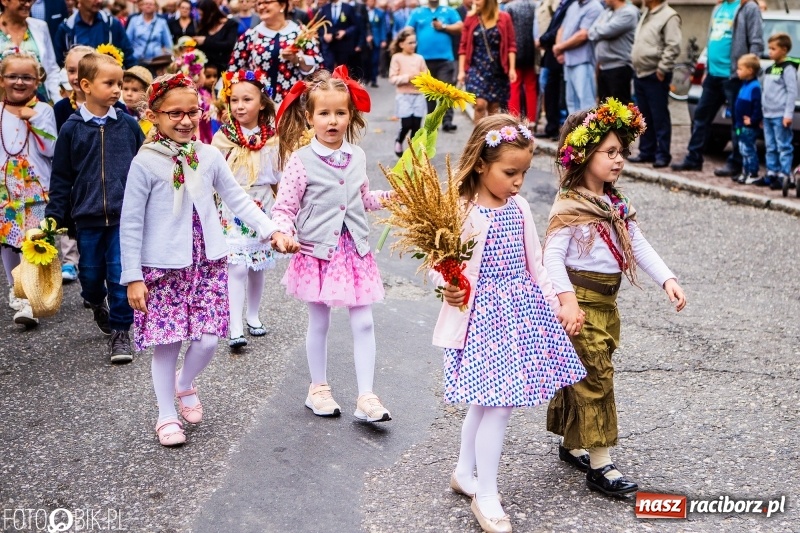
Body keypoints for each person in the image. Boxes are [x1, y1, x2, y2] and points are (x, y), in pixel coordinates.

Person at [120, 73, 296, 447]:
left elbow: (239, 200)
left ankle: (184, 384)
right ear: (153, 115)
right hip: (163, 268)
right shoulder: (146, 163)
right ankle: (166, 415)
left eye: (192, 112)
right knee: (167, 343)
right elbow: (131, 223)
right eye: (174, 114)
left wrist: (272, 231)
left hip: (207, 261)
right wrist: (133, 276)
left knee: (209, 341)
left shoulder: (209, 155)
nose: (185, 120)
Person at [433, 114, 585, 533]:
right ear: (481, 164)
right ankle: (486, 495)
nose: (518, 182)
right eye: (510, 172)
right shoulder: (462, 210)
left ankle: (467, 472)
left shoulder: (517, 208)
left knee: (487, 403)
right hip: (481, 320)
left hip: (520, 316)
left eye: (524, 173)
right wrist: (446, 285)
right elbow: (440, 263)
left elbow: (536, 264)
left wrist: (557, 303)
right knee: (497, 404)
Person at [545, 97, 686, 497]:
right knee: (596, 378)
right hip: (581, 306)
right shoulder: (570, 203)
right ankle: (601, 466)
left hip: (607, 305)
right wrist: (567, 301)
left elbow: (638, 245)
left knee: (584, 374)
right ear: (584, 153)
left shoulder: (616, 202)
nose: (618, 159)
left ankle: (573, 444)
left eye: (621, 152)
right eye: (609, 152)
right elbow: (551, 257)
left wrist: (667, 279)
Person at [272, 67, 393, 423]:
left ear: (350, 116)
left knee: (365, 323)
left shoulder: (357, 156)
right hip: (316, 252)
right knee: (320, 322)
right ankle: (318, 388)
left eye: (340, 113)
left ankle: (366, 396)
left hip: (354, 251)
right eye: (324, 113)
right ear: (309, 117)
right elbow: (285, 207)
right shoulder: (301, 160)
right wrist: (283, 232)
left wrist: (394, 196)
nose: (332, 120)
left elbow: (364, 198)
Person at [45, 52, 145, 363]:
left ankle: (120, 332)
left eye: (121, 83)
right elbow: (61, 176)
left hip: (123, 217)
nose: (117, 90)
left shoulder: (129, 126)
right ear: (85, 85)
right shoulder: (72, 129)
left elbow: (146, 167)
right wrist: (53, 215)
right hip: (86, 218)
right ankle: (95, 302)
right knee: (89, 276)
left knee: (119, 274)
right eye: (110, 83)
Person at [211, 70, 281, 348]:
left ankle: (253, 315)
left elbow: (280, 173)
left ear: (262, 102)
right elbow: (215, 174)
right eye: (234, 100)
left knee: (257, 266)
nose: (240, 106)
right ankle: (234, 324)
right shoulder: (223, 137)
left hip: (264, 204)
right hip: (233, 206)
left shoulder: (274, 136)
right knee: (237, 266)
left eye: (247, 99)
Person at [671, 0, 763, 175]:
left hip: (734, 77)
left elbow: (756, 42)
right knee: (701, 117)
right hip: (713, 75)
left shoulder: (748, 7)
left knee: (737, 121)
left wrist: (748, 72)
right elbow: (711, 39)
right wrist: (706, 69)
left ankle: (736, 162)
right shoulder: (718, 8)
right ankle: (694, 158)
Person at [0, 50, 56, 328]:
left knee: (33, 239)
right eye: (12, 76)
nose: (19, 82)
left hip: (36, 187)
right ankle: (18, 291)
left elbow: (51, 149)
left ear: (38, 81)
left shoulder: (44, 111)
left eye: (27, 77)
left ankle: (34, 289)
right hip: (5, 189)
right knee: (8, 240)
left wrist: (33, 119)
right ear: (2, 79)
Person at [229, 0, 320, 105]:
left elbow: (318, 67)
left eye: (267, 2)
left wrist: (297, 59)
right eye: (259, 4)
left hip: (293, 105)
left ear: (282, 5)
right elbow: (233, 71)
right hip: (261, 106)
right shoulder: (250, 36)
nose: (262, 6)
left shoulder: (300, 34)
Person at [629, 0, 680, 168]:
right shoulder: (647, 13)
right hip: (641, 72)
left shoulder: (669, 16)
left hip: (655, 74)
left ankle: (663, 154)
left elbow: (672, 46)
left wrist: (662, 69)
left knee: (659, 117)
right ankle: (646, 151)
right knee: (644, 116)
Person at [406, 0, 461, 132]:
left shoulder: (449, 11)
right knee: (429, 93)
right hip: (424, 60)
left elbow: (460, 27)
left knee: (446, 91)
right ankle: (432, 121)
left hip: (445, 59)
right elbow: (408, 29)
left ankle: (447, 121)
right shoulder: (417, 12)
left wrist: (443, 26)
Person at [458, 0, 515, 123]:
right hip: (476, 67)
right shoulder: (471, 18)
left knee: (494, 108)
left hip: (497, 69)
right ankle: (477, 139)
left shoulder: (504, 17)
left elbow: (511, 45)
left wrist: (512, 69)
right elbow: (463, 46)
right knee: (480, 104)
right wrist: (461, 71)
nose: (474, 1)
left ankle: (490, 140)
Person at [0, 0, 62, 103]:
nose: (28, 5)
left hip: (38, 102)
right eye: (22, 1)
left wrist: (57, 100)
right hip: (3, 104)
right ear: (5, 1)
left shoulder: (40, 27)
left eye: (30, 1)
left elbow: (51, 68)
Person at [760, 32, 797, 190]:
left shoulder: (788, 68)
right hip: (767, 114)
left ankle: (784, 175)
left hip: (780, 115)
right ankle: (771, 173)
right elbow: (765, 92)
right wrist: (762, 113)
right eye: (769, 48)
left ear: (784, 49)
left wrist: (788, 114)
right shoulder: (769, 69)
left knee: (783, 145)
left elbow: (792, 92)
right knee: (770, 146)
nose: (770, 52)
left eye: (773, 49)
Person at [54, 0, 135, 68]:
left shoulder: (112, 24)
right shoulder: (66, 28)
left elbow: (128, 56)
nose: (99, 1)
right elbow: (59, 62)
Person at [553, 0, 602, 113]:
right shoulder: (573, 6)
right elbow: (561, 29)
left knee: (586, 105)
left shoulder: (595, 7)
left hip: (583, 62)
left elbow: (583, 35)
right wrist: (559, 50)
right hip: (568, 61)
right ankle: (574, 131)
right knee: (571, 104)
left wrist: (560, 48)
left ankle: (588, 131)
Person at [587, 0, 638, 104]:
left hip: (619, 68)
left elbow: (606, 31)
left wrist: (599, 29)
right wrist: (599, 30)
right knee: (604, 110)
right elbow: (591, 32)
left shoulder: (628, 13)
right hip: (603, 67)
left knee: (620, 109)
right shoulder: (606, 12)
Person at [538, 0, 574, 139]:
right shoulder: (562, 4)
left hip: (560, 54)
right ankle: (551, 127)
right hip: (552, 53)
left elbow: (561, 28)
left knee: (561, 95)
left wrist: (544, 40)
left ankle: (561, 129)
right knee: (550, 91)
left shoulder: (570, 4)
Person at [388, 27, 426, 156]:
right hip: (403, 95)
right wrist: (407, 78)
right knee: (407, 124)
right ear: (401, 44)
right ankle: (399, 140)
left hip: (418, 95)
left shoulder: (419, 58)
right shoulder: (397, 57)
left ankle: (413, 152)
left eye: (414, 42)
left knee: (416, 125)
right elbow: (392, 78)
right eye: (410, 43)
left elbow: (426, 76)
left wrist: (421, 79)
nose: (413, 45)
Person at [504, 0, 537, 122]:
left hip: (515, 52)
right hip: (532, 52)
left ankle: (514, 119)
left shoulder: (509, 7)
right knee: (531, 87)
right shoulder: (535, 6)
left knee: (514, 86)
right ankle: (532, 121)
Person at [732, 53, 761, 185]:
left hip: (748, 127)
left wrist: (753, 120)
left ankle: (753, 172)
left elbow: (757, 107)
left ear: (750, 70)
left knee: (749, 149)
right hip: (740, 125)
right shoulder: (743, 85)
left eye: (740, 69)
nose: (737, 71)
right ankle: (745, 171)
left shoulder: (755, 87)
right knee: (742, 149)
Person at [194, 0, 238, 73]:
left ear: (210, 14)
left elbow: (229, 45)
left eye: (202, 15)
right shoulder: (204, 26)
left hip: (223, 68)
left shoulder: (230, 24)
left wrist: (206, 41)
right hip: (205, 70)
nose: (200, 18)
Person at [317, 0, 359, 73]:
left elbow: (355, 25)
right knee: (328, 67)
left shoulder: (348, 8)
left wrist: (345, 32)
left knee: (342, 69)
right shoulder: (324, 8)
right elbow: (320, 26)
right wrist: (324, 35)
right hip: (329, 44)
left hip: (343, 44)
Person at [362, 0, 386, 88]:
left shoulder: (380, 12)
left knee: (375, 60)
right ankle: (365, 78)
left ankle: (373, 79)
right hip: (365, 40)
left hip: (376, 39)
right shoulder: (363, 11)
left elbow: (383, 27)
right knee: (365, 60)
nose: (371, 3)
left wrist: (383, 40)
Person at [122, 64, 153, 133]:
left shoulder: (150, 117)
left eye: (135, 90)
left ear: (146, 92)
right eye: (125, 89)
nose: (129, 94)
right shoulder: (120, 112)